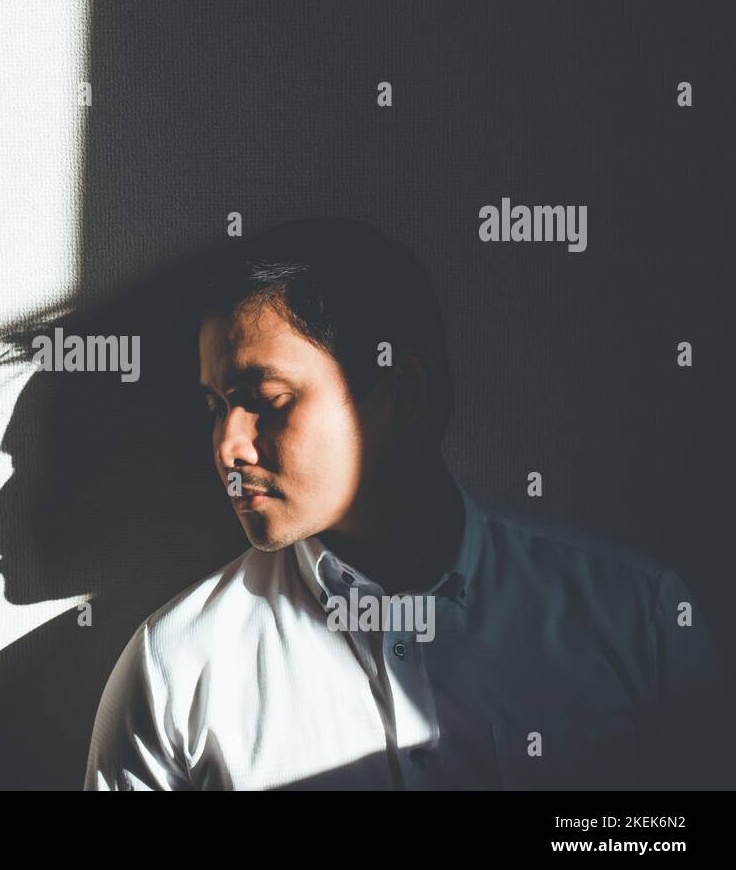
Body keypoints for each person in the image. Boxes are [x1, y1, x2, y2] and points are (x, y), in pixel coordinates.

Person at [83, 218, 733, 790]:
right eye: (215, 406)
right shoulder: (178, 666)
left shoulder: (636, 617)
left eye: (267, 397)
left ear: (402, 389)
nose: (228, 445)